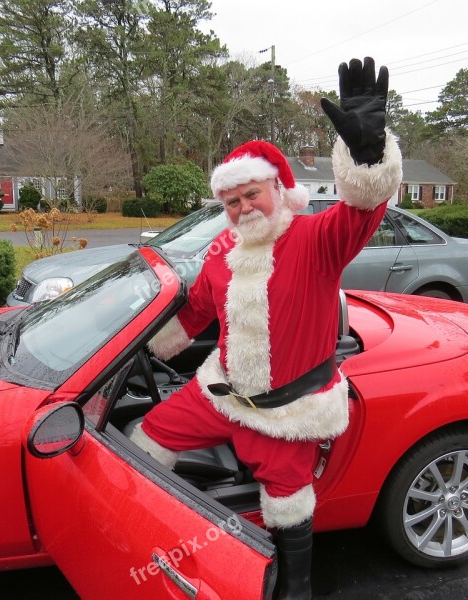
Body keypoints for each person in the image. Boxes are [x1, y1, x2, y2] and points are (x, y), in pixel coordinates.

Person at [129, 57, 403, 600]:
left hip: (287, 411)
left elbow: (363, 207)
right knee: (146, 439)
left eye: (251, 194)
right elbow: (198, 310)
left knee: (287, 503)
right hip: (220, 391)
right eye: (231, 201)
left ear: (277, 189)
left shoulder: (315, 238)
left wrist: (367, 156)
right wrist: (140, 346)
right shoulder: (222, 251)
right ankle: (145, 538)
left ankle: (295, 587)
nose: (242, 207)